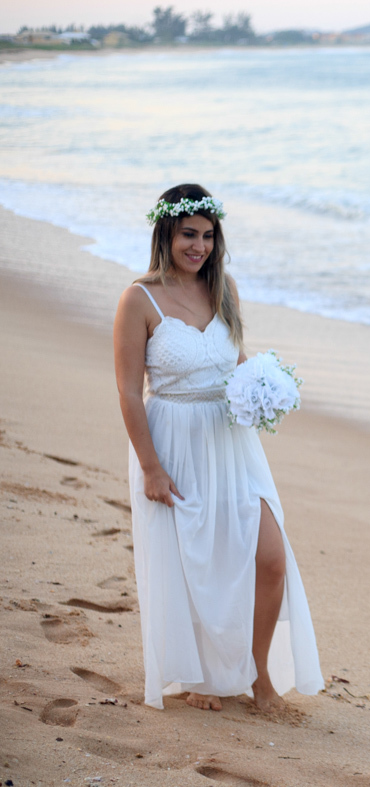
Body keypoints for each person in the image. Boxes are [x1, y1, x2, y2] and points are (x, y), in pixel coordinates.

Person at [113, 184, 322, 712]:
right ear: (166, 233)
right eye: (189, 234)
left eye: (208, 236)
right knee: (194, 566)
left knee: (269, 558)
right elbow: (128, 392)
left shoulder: (223, 287)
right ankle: (200, 678)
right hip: (173, 442)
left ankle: (258, 675)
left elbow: (233, 359)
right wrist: (151, 468)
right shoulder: (139, 299)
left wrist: (266, 387)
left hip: (232, 442)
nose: (199, 246)